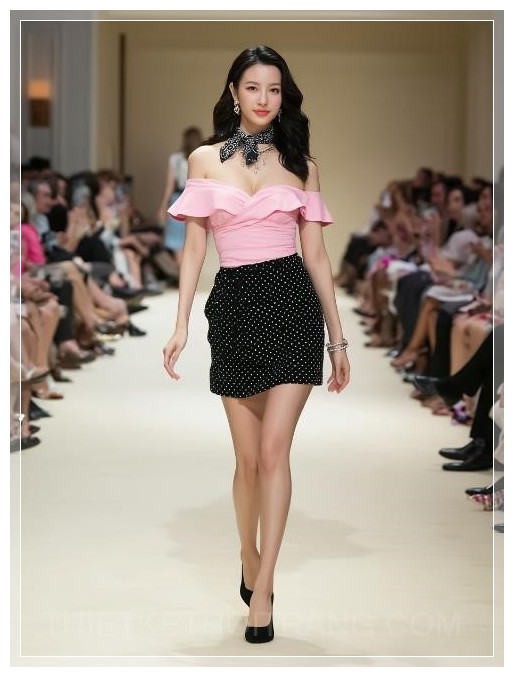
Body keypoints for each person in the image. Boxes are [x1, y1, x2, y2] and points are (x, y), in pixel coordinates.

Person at [162, 45, 350, 644]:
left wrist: (338, 339)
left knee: (273, 453)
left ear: (283, 95)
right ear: (234, 92)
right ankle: (248, 554)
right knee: (245, 461)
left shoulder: (302, 165)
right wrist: (180, 322)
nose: (264, 99)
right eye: (253, 87)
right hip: (235, 307)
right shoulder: (203, 159)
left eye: (274, 89)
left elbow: (316, 255)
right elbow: (195, 248)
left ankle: (264, 588)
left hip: (293, 304)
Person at [158, 126, 204, 265]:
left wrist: (163, 206)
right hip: (198, 199)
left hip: (179, 198)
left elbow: (169, 185)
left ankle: (181, 273)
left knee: (178, 242)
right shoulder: (203, 157)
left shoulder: (176, 158)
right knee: (194, 240)